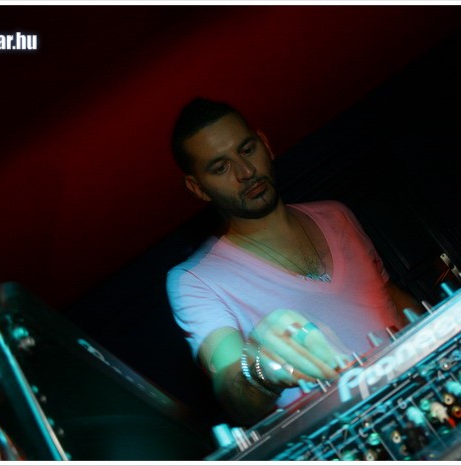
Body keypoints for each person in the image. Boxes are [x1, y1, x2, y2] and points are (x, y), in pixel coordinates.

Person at [166, 98, 423, 425]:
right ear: (197, 187)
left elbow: (391, 298)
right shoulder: (195, 280)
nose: (245, 172)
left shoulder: (337, 215)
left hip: (423, 396)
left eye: (247, 150)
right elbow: (231, 385)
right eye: (221, 167)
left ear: (265, 144)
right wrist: (259, 368)